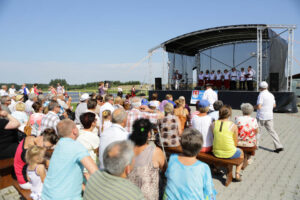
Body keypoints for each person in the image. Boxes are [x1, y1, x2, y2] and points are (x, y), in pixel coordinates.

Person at [42, 119, 98, 200]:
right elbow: (95, 172)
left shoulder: (59, 145)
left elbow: (67, 174)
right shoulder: (77, 146)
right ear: (74, 131)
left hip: (47, 195)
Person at [164, 128, 216, 200]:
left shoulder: (172, 158)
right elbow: (209, 193)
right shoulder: (204, 167)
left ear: (181, 145)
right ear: (200, 148)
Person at [128, 119, 166, 200]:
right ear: (149, 134)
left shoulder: (126, 150)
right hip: (148, 196)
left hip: (129, 194)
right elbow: (165, 170)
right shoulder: (156, 151)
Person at [212, 105, 244, 181]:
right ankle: (237, 173)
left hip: (215, 152)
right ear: (229, 114)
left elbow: (214, 136)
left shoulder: (213, 124)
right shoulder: (233, 125)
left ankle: (217, 168)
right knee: (241, 153)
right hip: (229, 152)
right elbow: (235, 142)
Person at [256, 81, 283, 153]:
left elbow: (259, 106)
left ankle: (255, 145)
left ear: (260, 88)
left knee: (257, 131)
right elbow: (274, 105)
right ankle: (278, 146)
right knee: (272, 131)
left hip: (261, 116)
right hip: (270, 116)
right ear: (267, 87)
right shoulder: (271, 95)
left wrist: (253, 107)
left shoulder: (261, 95)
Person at [77, 112, 100, 179]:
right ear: (93, 123)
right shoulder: (93, 137)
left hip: (80, 166)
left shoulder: (79, 133)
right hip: (90, 167)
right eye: (95, 119)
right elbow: (97, 151)